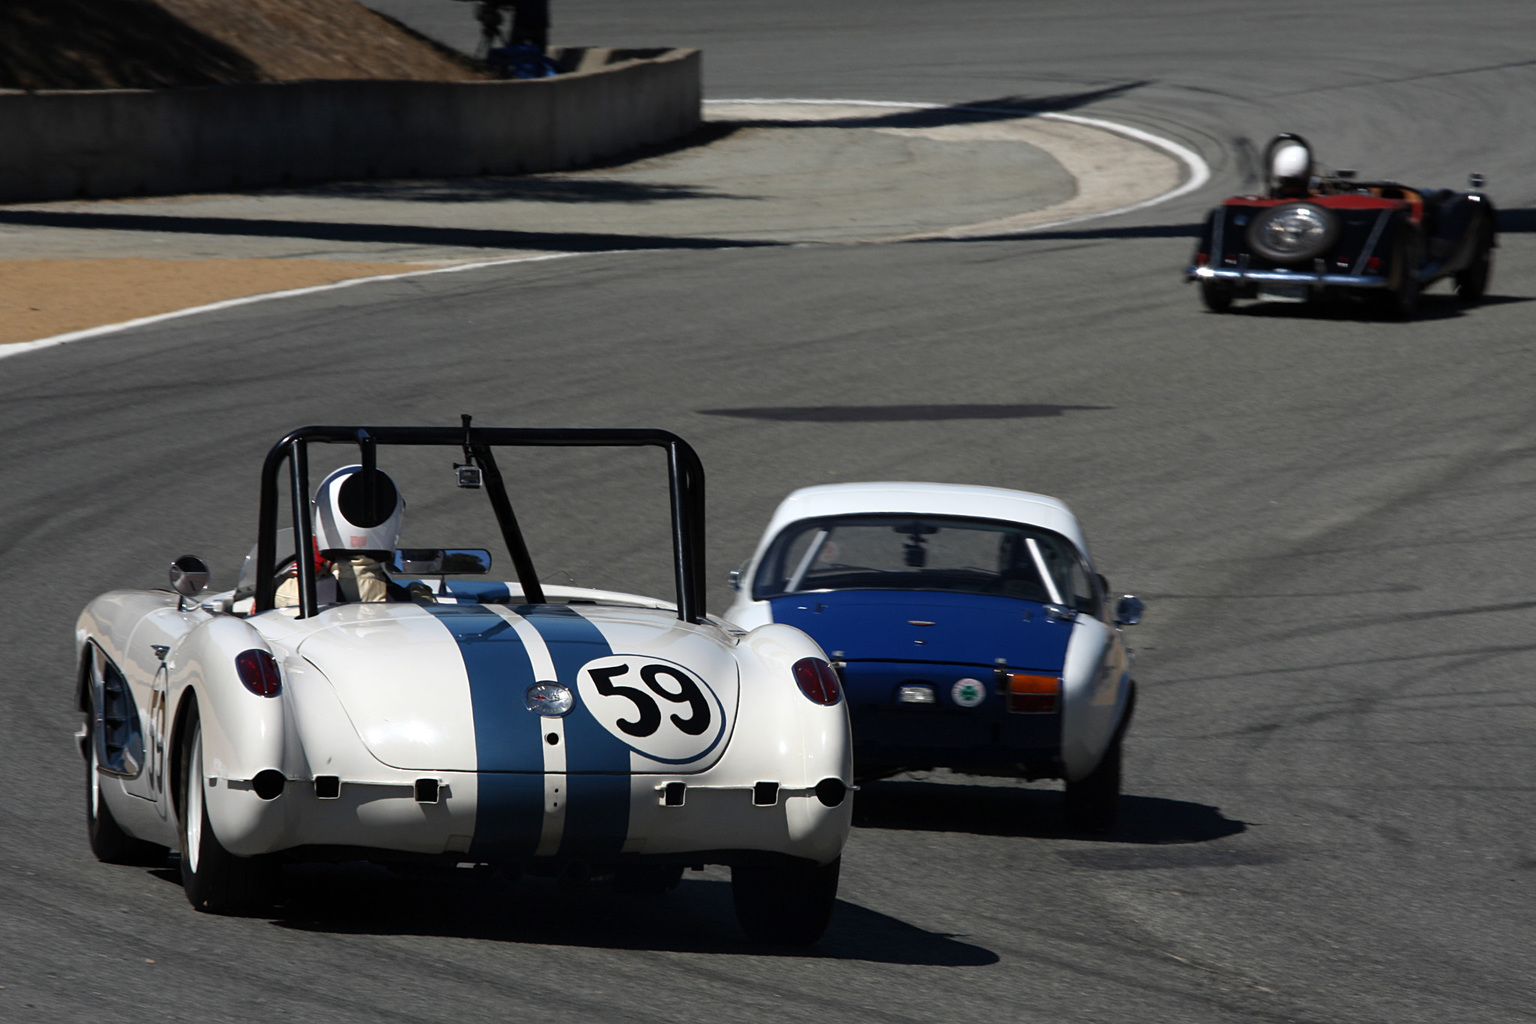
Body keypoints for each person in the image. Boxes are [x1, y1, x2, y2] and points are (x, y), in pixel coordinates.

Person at [275, 465, 407, 607]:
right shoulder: (416, 601)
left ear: (322, 516)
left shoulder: (288, 594)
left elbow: (259, 601)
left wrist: (308, 566)